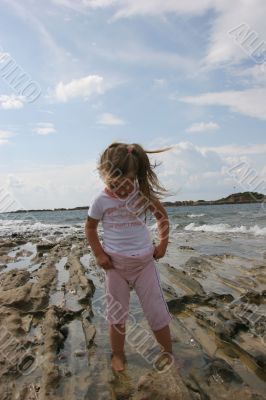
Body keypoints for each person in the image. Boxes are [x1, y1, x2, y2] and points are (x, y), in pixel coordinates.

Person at [85, 142, 175, 372]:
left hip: (144, 263)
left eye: (127, 183)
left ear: (136, 176)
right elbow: (90, 228)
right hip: (114, 266)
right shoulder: (101, 201)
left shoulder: (142, 195)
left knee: (156, 310)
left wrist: (163, 243)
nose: (121, 190)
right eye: (114, 184)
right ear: (103, 175)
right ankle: (118, 354)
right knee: (117, 313)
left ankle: (168, 353)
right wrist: (99, 254)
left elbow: (162, 218)